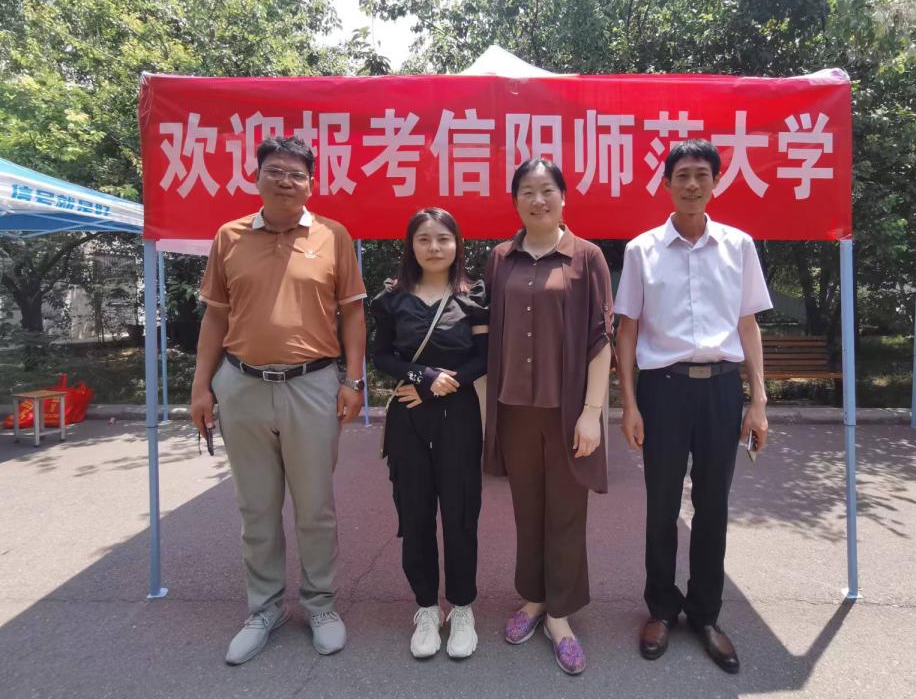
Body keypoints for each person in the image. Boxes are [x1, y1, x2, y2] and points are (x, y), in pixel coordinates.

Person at [190, 136, 367, 665]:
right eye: (275, 171)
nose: (286, 181)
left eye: (296, 174)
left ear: (311, 183)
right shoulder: (229, 236)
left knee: (315, 507)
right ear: (257, 176)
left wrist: (354, 381)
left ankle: (320, 605)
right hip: (241, 385)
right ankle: (264, 609)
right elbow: (215, 316)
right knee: (256, 507)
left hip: (312, 384)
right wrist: (202, 386)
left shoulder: (333, 235)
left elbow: (353, 314)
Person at [614, 140, 772, 673]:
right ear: (666, 183)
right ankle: (661, 608)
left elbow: (748, 325)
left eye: (702, 175)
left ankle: (705, 613)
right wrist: (629, 404)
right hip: (663, 390)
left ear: (716, 182)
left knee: (713, 506)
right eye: (681, 175)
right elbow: (627, 330)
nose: (691, 184)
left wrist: (758, 402)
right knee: (661, 505)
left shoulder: (738, 246)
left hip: (721, 391)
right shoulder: (641, 250)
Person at [483, 157, 613, 676]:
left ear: (563, 197)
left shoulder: (587, 257)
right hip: (514, 409)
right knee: (527, 510)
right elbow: (486, 334)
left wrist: (592, 413)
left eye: (547, 190)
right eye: (527, 192)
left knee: (565, 512)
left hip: (568, 412)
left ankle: (560, 614)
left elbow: (601, 339)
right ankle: (534, 598)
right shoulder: (500, 258)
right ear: (515, 201)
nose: (537, 200)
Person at [370, 208, 488, 660]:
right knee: (415, 514)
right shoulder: (392, 299)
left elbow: (484, 358)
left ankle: (462, 607)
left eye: (443, 238)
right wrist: (423, 376)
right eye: (424, 239)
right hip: (409, 419)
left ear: (457, 244)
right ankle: (425, 607)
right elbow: (383, 356)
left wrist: (439, 387)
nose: (434, 247)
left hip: (458, 415)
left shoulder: (474, 297)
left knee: (460, 514)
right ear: (411, 245)